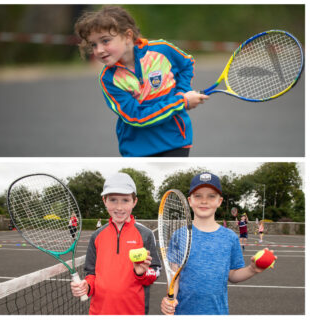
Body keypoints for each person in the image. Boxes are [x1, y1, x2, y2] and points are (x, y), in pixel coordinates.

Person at [74, 6, 208, 157]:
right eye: (94, 44)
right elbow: (136, 117)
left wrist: (182, 91)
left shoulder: (162, 50)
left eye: (105, 41)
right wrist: (181, 102)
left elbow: (186, 64)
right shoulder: (108, 79)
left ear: (128, 36)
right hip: (137, 150)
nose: (98, 50)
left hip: (175, 141)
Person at [160, 172, 275, 315]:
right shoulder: (179, 235)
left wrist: (252, 269)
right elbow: (174, 276)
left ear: (219, 201)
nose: (204, 201)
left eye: (211, 196)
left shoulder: (230, 238)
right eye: (198, 196)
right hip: (184, 312)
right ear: (190, 201)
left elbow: (232, 275)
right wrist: (170, 299)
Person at [70, 172, 160, 314]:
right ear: (104, 200)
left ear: (134, 202)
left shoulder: (145, 235)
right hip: (99, 312)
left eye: (125, 200)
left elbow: (155, 271)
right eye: (113, 200)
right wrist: (86, 287)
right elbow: (91, 274)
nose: (119, 207)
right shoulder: (96, 236)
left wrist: (142, 273)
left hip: (134, 312)